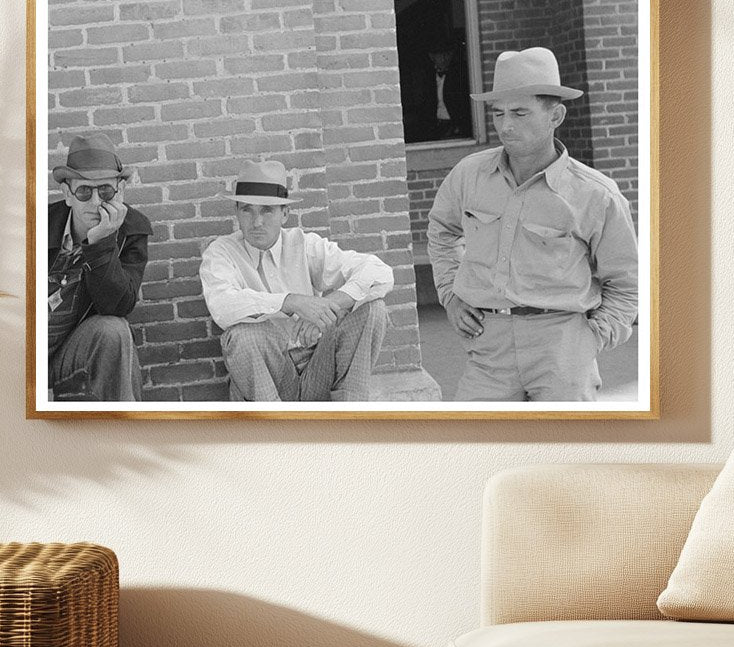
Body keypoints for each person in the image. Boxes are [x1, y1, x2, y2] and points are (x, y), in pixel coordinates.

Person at [427, 47, 639, 401]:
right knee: (477, 451)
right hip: (487, 347)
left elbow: (627, 285)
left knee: (564, 454)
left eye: (520, 113)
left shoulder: (595, 195)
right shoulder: (469, 175)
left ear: (556, 115)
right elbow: (442, 231)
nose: (505, 126)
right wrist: (450, 295)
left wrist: (591, 339)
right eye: (499, 114)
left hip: (562, 347)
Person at [199, 161, 393, 402]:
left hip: (319, 365)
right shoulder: (221, 252)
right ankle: (277, 434)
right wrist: (291, 302)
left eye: (267, 210)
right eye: (247, 209)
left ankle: (349, 420)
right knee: (241, 336)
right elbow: (222, 306)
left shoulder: (304, 245)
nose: (256, 221)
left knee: (373, 309)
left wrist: (327, 306)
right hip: (268, 380)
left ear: (285, 214)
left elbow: (379, 272)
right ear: (237, 212)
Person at [48, 132, 152, 401]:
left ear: (120, 191)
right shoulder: (37, 224)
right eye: (84, 191)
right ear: (67, 194)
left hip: (69, 355)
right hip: (21, 353)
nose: (96, 202)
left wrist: (101, 243)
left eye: (105, 191)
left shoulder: (132, 230)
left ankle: (122, 431)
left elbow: (118, 306)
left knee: (114, 330)